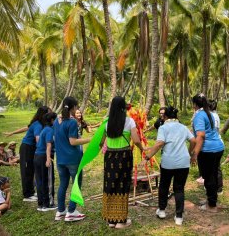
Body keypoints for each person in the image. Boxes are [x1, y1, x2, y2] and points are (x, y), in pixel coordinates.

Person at [97, 96, 144, 229]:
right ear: (124, 107)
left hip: (110, 157)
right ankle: (121, 221)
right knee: (122, 186)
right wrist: (142, 149)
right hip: (124, 157)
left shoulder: (106, 123)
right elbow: (135, 140)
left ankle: (111, 220)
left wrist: (107, 150)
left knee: (110, 185)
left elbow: (101, 143)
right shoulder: (129, 121)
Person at [145, 106, 196, 226]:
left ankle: (162, 211)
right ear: (176, 116)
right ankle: (179, 217)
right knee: (179, 189)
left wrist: (147, 157)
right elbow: (193, 141)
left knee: (164, 186)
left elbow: (159, 144)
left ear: (165, 116)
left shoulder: (163, 128)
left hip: (168, 163)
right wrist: (189, 153)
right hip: (183, 163)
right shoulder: (183, 127)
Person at [54, 97, 91, 222]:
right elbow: (73, 141)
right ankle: (71, 212)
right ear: (74, 107)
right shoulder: (72, 122)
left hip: (60, 159)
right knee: (76, 184)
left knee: (63, 184)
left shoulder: (56, 120)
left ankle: (60, 211)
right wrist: (89, 140)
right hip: (73, 159)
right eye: (76, 107)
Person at [191, 94, 224, 212]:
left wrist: (195, 153)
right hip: (218, 147)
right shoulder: (209, 113)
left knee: (209, 177)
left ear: (194, 104)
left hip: (208, 150)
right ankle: (211, 200)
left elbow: (201, 135)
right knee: (213, 175)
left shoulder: (199, 115)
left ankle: (212, 205)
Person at [20, 106, 51, 202]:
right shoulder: (38, 125)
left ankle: (31, 191)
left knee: (31, 170)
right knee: (27, 171)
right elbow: (38, 139)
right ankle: (27, 194)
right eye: (49, 113)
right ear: (44, 115)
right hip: (27, 148)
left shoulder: (41, 124)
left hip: (31, 148)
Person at [34, 112, 57, 212]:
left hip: (37, 156)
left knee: (40, 181)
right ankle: (48, 204)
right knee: (48, 181)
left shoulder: (44, 129)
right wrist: (48, 159)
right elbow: (48, 145)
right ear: (52, 120)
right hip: (44, 157)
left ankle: (41, 204)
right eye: (55, 119)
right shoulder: (49, 130)